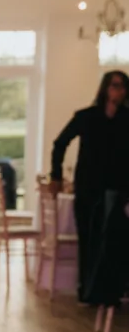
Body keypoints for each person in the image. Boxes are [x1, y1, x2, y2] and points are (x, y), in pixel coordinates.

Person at [51, 71, 129, 302]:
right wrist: (56, 175)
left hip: (120, 190)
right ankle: (87, 291)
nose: (119, 91)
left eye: (123, 86)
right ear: (106, 88)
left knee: (115, 241)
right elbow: (60, 143)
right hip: (88, 188)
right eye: (115, 85)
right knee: (88, 239)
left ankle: (113, 291)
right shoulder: (87, 116)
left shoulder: (127, 118)